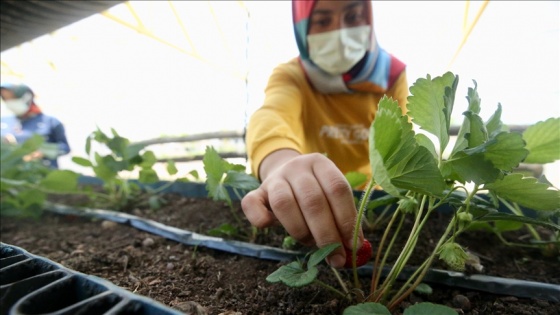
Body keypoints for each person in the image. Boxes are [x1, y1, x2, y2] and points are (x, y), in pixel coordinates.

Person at [241, 0, 409, 268]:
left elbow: (404, 146)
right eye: (322, 21)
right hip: (308, 197)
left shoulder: (391, 77)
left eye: (353, 16)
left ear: (368, 18)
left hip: (374, 201)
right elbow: (271, 116)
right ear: (302, 26)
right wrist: (279, 163)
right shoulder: (292, 76)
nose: (340, 32)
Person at [1, 83, 70, 168]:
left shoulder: (50, 122)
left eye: (13, 98)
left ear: (26, 98)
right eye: (6, 99)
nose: (9, 102)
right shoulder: (3, 122)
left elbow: (65, 148)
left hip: (42, 173)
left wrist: (44, 151)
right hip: (12, 174)